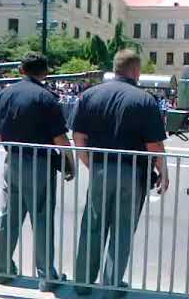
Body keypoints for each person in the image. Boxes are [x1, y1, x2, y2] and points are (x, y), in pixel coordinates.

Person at [71, 49, 168, 298]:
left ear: (115, 68)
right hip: (132, 172)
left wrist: (91, 165)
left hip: (100, 169)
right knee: (122, 230)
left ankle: (82, 283)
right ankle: (111, 287)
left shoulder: (89, 95)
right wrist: (163, 171)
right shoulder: (145, 100)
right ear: (136, 70)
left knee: (92, 226)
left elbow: (78, 137)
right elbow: (154, 145)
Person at [0, 52, 75, 292]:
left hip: (12, 161)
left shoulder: (5, 93)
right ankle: (47, 276)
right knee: (41, 219)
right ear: (45, 72)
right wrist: (69, 162)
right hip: (39, 164)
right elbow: (59, 137)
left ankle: (2, 270)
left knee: (9, 218)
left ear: (21, 70)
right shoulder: (46, 98)